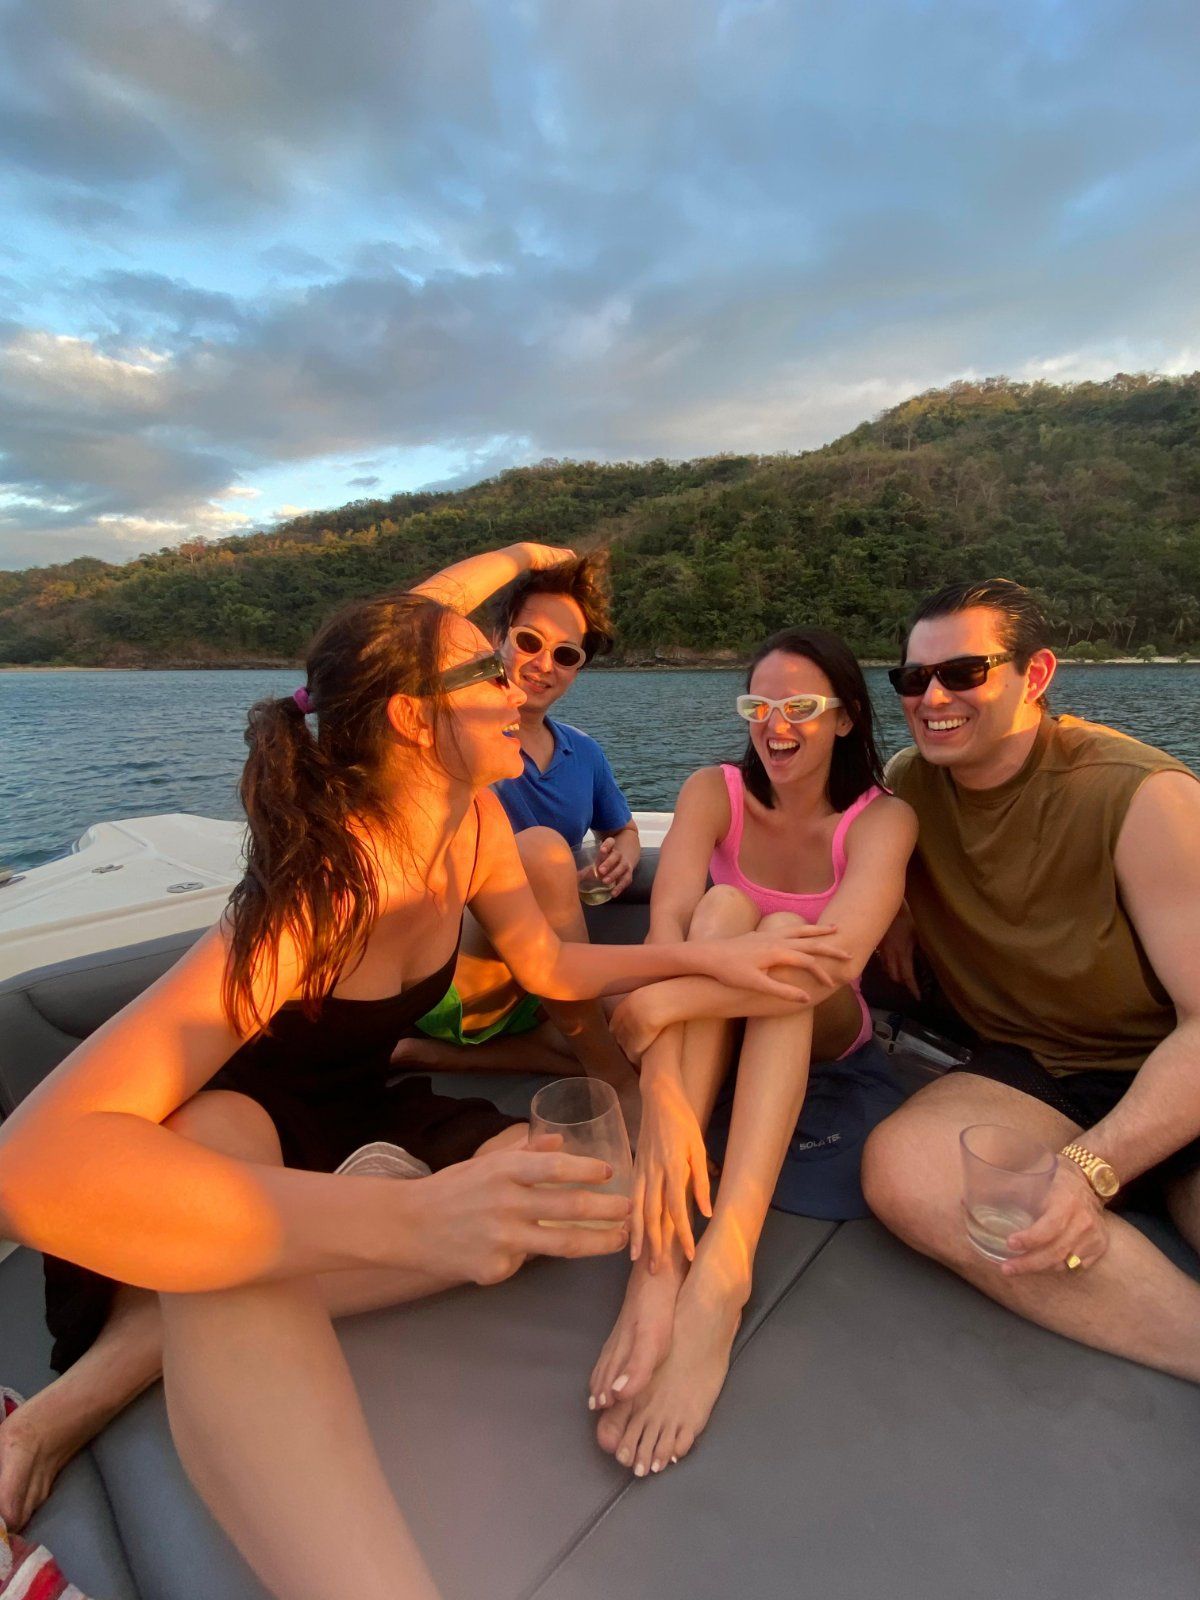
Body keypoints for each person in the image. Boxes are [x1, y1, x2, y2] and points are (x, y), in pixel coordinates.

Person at [0, 587, 840, 1598]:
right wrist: (405, 1216)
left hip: (367, 1105)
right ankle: (77, 1399)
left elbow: (554, 967)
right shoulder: (320, 894)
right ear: (412, 718)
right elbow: (32, 1162)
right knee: (230, 1216)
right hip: (250, 1120)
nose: (519, 677)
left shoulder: (474, 820)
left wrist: (714, 972)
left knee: (551, 1193)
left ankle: (277, 1259)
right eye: (489, 668)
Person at [586, 627, 917, 1478]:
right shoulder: (712, 791)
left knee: (778, 934)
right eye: (760, 705)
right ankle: (659, 1264)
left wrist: (661, 1006)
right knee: (723, 920)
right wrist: (660, 1099)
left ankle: (724, 1270)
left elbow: (832, 967)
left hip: (826, 1026)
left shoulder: (883, 821)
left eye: (802, 707)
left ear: (844, 719)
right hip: (714, 1038)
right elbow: (668, 942)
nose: (778, 725)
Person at [861, 578, 1200, 1383]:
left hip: (1169, 1073)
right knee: (907, 1170)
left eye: (964, 673)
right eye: (912, 679)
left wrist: (1091, 1169)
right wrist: (896, 904)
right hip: (1037, 1074)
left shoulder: (1140, 796)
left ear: (1035, 674)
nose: (932, 697)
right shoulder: (908, 789)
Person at [396, 542, 640, 1112]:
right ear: (498, 638)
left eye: (566, 654)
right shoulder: (452, 731)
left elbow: (621, 827)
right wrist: (524, 554)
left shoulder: (585, 753)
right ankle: (614, 1087)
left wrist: (622, 851)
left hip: (536, 981)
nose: (543, 664)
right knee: (541, 852)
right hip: (453, 974)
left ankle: (430, 1057)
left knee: (642, 1023)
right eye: (529, 641)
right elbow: (400, 626)